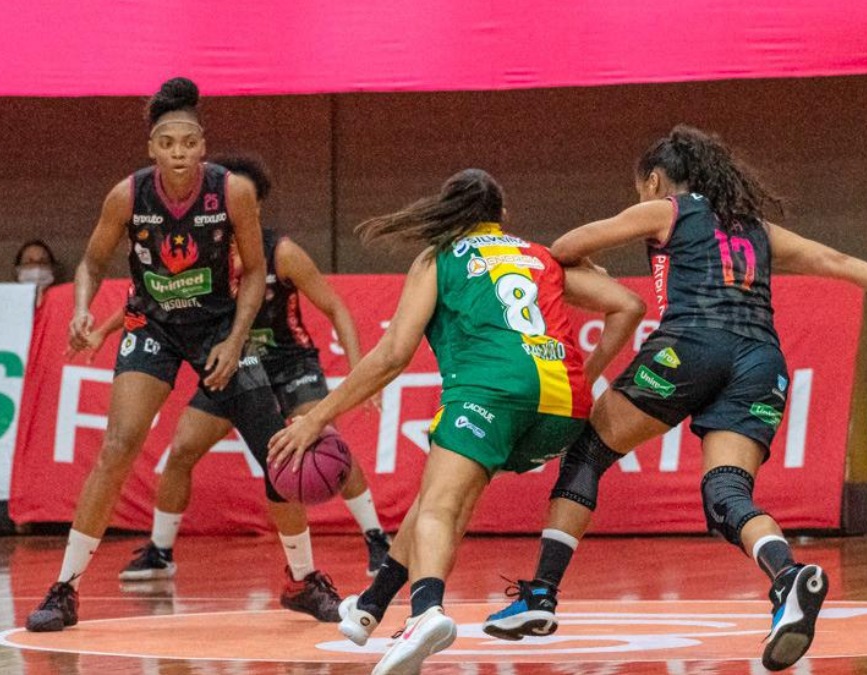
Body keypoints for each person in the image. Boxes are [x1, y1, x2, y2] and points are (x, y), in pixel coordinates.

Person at [481, 125, 867, 671]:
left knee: (591, 451)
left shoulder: (665, 208)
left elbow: (565, 249)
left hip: (692, 345)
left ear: (655, 179)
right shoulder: (757, 229)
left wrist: (591, 267)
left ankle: (541, 595)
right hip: (761, 361)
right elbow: (835, 261)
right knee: (726, 493)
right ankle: (788, 577)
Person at [268, 168, 646, 674]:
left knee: (440, 510)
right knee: (439, 497)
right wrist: (585, 374)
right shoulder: (538, 255)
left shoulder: (440, 256)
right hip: (563, 407)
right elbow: (629, 304)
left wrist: (316, 418)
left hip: (490, 392)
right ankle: (372, 606)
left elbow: (393, 354)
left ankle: (425, 613)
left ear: (447, 212)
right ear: (501, 216)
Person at [25, 78, 341, 633]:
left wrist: (235, 338)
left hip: (217, 326)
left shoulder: (232, 191)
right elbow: (91, 265)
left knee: (276, 449)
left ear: (202, 145)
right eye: (166, 143)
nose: (177, 153)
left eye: (188, 143)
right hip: (151, 324)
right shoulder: (127, 196)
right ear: (152, 148)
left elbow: (256, 273)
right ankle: (65, 588)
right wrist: (80, 309)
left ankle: (302, 579)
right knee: (119, 445)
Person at [73, 155, 392, 579]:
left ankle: (375, 538)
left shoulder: (282, 253)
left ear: (253, 206)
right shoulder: (201, 248)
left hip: (287, 363)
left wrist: (358, 372)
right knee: (182, 449)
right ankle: (161, 550)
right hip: (231, 361)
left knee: (319, 444)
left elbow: (336, 307)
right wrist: (103, 331)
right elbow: (150, 299)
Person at [14, 239, 59, 307]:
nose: (37, 267)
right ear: (18, 270)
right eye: (29, 262)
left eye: (43, 262)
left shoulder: (61, 303)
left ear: (52, 269)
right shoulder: (9, 305)